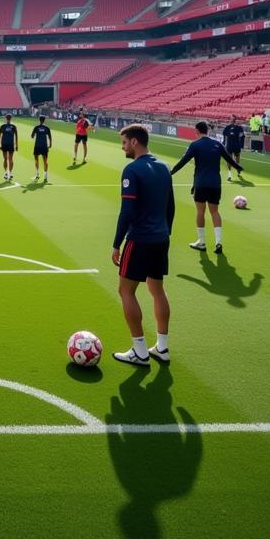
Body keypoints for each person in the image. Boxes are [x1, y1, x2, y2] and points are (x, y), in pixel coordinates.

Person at [111, 124, 174, 366]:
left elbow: (127, 211)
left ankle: (139, 350)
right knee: (157, 289)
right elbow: (170, 207)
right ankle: (163, 347)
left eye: (125, 142)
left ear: (135, 142)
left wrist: (117, 244)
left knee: (126, 290)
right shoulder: (164, 167)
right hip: (161, 239)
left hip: (139, 239)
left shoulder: (132, 170)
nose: (123, 147)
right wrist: (165, 232)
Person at [170, 120, 243, 254]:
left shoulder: (195, 145)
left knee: (200, 212)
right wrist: (239, 167)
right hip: (215, 183)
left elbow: (183, 162)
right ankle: (218, 242)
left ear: (197, 131)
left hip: (201, 183)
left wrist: (170, 173)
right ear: (207, 130)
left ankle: (201, 242)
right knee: (215, 212)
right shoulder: (217, 144)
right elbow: (229, 159)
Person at [221, 115, 245, 181]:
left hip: (236, 146)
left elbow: (242, 136)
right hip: (229, 146)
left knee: (237, 159)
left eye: (233, 119)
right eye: (231, 119)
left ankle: (238, 168)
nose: (232, 120)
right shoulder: (227, 127)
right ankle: (229, 174)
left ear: (235, 120)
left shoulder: (239, 128)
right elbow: (224, 135)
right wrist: (224, 143)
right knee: (229, 159)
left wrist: (241, 145)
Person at [31, 115, 52, 183]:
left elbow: (32, 136)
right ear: (44, 120)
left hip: (37, 146)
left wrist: (35, 133)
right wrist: (50, 144)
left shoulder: (36, 127)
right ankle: (45, 176)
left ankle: (37, 174)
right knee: (45, 161)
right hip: (44, 146)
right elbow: (50, 137)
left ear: (39, 120)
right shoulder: (47, 128)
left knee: (36, 160)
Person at [0, 113, 18, 182]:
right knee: (11, 159)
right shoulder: (13, 126)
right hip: (11, 144)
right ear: (11, 119)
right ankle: (10, 173)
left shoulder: (2, 126)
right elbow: (16, 136)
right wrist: (17, 145)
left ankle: (6, 173)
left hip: (4, 144)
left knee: (5, 159)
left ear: (6, 118)